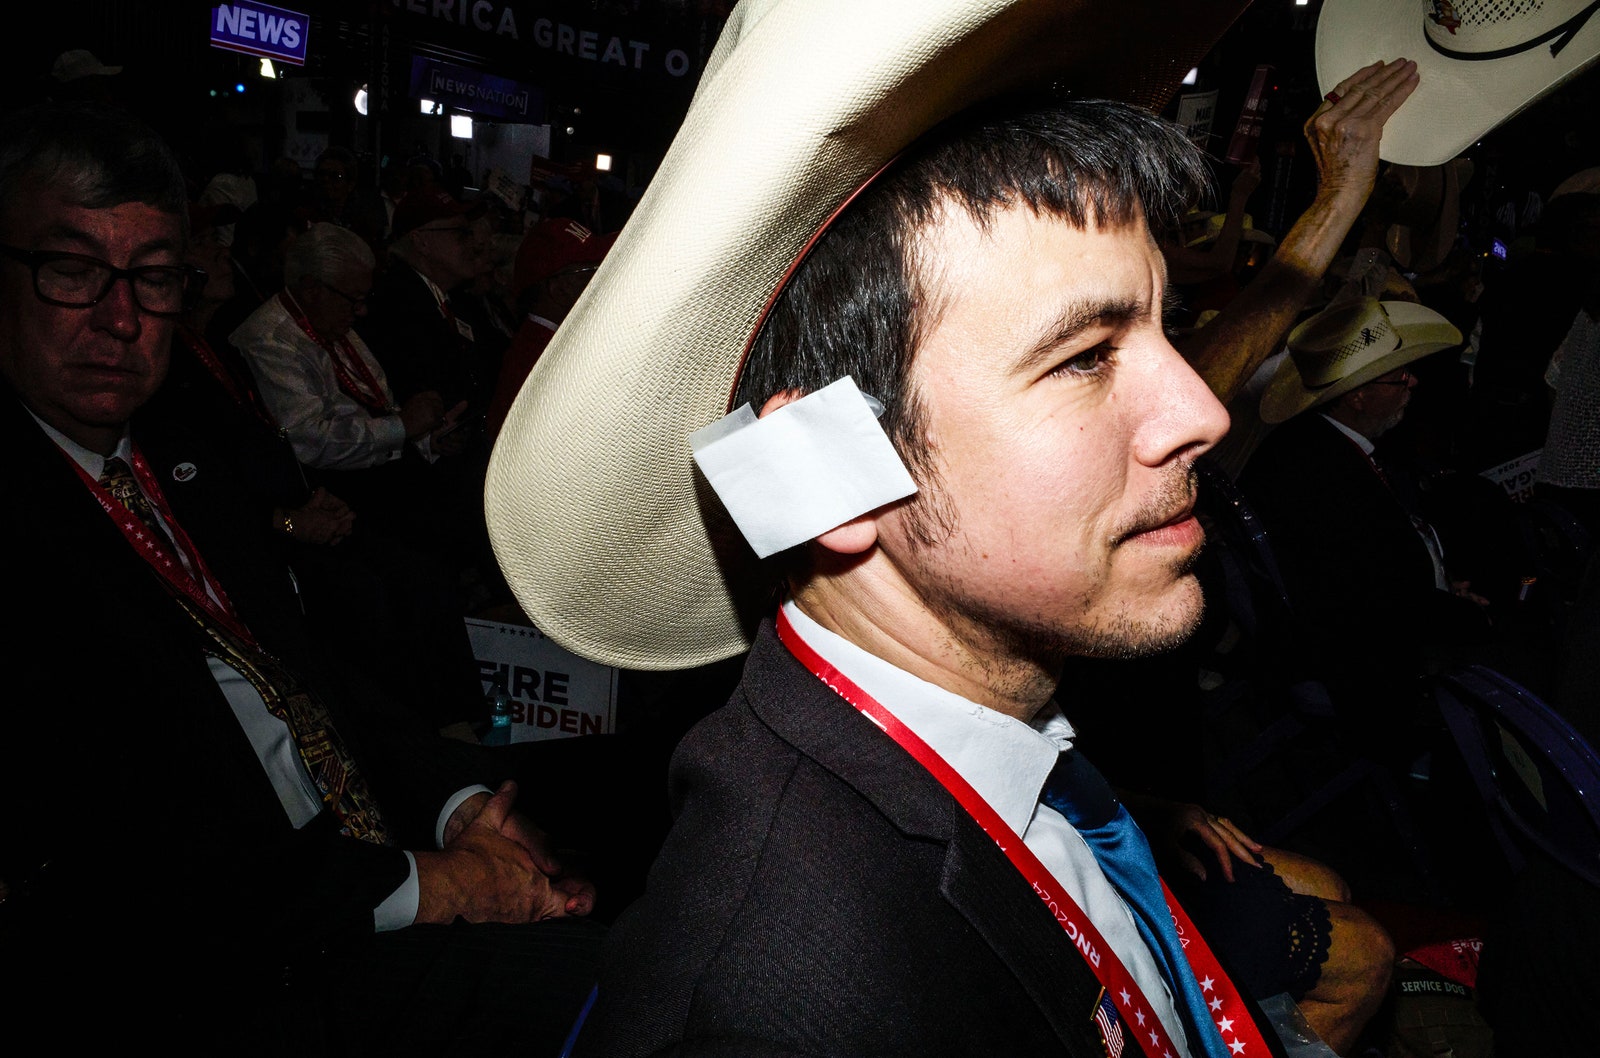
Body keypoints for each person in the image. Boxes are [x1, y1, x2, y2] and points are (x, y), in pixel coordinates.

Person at [485, 2, 1297, 1055]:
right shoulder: (788, 1006)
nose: (1203, 410)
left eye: (1164, 327)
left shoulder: (976, 751)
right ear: (831, 476)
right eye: (1086, 355)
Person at [0, 100, 602, 1055]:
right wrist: (434, 883)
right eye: (73, 271)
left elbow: (314, 677)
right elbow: (125, 868)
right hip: (229, 975)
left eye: (154, 280)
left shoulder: (181, 461)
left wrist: (459, 808)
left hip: (353, 866)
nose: (119, 318)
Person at [1239, 297, 1491, 758]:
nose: (1412, 382)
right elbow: (1382, 604)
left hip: (1334, 629)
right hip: (1352, 658)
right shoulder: (1327, 478)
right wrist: (1469, 614)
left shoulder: (1312, 443)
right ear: (1357, 395)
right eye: (1399, 376)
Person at [486, 216, 616, 441]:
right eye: (592, 269)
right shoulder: (540, 361)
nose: (603, 276)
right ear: (559, 288)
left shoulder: (548, 342)